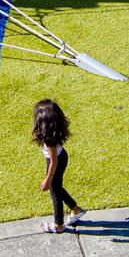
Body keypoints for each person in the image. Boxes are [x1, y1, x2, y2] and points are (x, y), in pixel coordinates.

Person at [33, 99, 84, 233]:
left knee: (54, 192)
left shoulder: (50, 140)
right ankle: (75, 209)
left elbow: (54, 162)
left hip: (56, 162)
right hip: (59, 158)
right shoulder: (52, 133)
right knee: (57, 188)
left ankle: (58, 225)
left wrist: (47, 180)